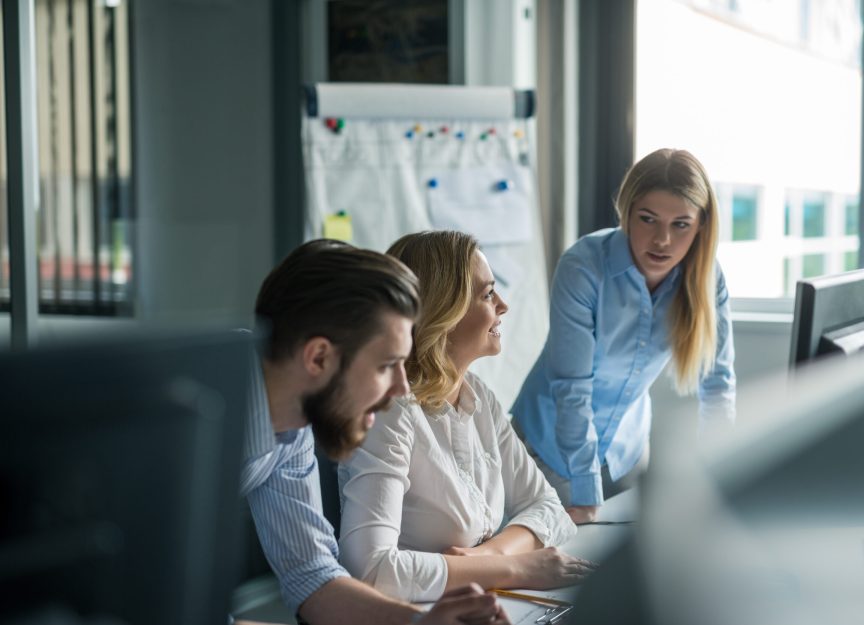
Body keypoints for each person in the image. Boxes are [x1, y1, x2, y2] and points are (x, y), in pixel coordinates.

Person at [242, 239, 511, 625]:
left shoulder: (292, 427)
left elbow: (312, 577)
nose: (402, 388)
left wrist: (421, 623)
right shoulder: (186, 413)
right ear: (318, 357)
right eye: (387, 365)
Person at [337, 231, 592, 602]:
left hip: (472, 601)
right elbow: (372, 571)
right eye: (488, 294)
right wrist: (516, 567)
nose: (502, 305)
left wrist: (487, 556)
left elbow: (548, 508)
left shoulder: (478, 397)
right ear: (445, 311)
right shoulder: (390, 409)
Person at [511, 148, 736, 524]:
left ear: (701, 225)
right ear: (627, 212)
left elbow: (717, 385)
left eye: (680, 224)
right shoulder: (584, 266)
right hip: (547, 453)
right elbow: (572, 387)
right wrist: (584, 491)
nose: (662, 240)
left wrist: (724, 478)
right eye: (648, 219)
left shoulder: (707, 278)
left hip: (625, 453)